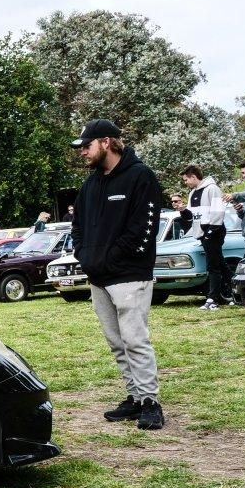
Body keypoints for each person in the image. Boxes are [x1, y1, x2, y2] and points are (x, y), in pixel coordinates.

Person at [70, 119, 164, 431]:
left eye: (87, 145)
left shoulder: (140, 176)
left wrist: (110, 258)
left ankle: (151, 401)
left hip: (130, 274)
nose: (83, 152)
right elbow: (78, 227)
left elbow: (143, 230)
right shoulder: (89, 186)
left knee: (135, 339)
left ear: (107, 142)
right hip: (98, 277)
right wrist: (84, 256)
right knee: (116, 341)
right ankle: (135, 398)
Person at [179, 164, 228, 309]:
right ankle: (233, 291)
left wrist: (211, 232)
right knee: (220, 263)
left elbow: (218, 211)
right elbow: (191, 216)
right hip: (202, 232)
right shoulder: (192, 192)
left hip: (213, 230)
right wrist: (182, 210)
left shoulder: (212, 189)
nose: (185, 183)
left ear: (193, 177)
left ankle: (213, 299)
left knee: (213, 266)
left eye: (186, 180)